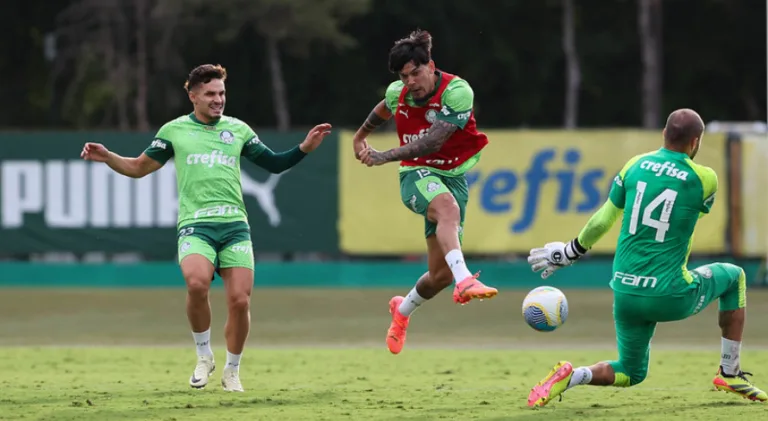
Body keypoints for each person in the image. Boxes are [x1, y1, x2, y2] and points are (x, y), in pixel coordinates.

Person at [80, 64, 332, 392]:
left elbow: (274, 163)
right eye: (211, 94)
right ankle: (203, 355)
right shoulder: (173, 131)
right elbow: (140, 168)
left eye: (222, 93)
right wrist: (109, 156)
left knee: (240, 301)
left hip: (235, 227)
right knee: (197, 284)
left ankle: (232, 370)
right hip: (196, 225)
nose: (218, 100)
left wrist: (304, 149)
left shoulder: (238, 130)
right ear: (193, 95)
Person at [525, 108, 767, 407]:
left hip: (625, 293)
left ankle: (573, 375)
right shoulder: (705, 178)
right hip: (670, 295)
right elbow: (695, 207)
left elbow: (603, 219)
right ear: (696, 142)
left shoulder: (634, 165)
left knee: (631, 371)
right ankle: (729, 372)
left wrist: (570, 251)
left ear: (664, 134)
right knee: (734, 276)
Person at [354, 29, 498, 355]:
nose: (411, 82)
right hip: (414, 173)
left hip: (453, 175)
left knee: (438, 276)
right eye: (404, 76)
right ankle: (466, 280)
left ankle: (402, 311)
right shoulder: (398, 92)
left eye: (416, 73)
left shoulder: (457, 91)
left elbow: (434, 141)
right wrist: (360, 136)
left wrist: (383, 155)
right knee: (448, 210)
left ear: (430, 66)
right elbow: (384, 107)